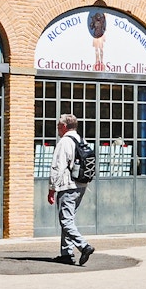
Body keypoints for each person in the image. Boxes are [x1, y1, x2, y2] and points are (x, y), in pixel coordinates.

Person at [47, 113, 95, 266]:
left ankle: (84, 246)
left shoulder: (64, 142)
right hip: (81, 186)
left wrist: (52, 188)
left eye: (58, 126)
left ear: (64, 126)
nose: (57, 129)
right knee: (69, 219)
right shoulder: (81, 140)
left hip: (67, 186)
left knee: (66, 221)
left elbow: (57, 167)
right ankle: (66, 254)